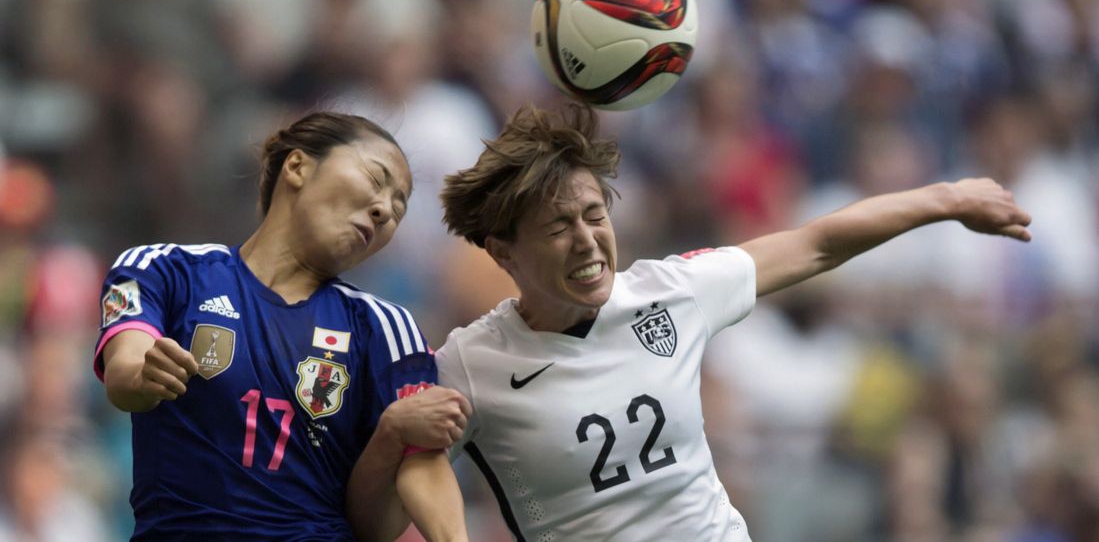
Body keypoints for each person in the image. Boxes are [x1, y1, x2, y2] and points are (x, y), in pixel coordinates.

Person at [435, 103, 1032, 542]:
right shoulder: (468, 364)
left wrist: (947, 200)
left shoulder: (670, 292)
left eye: (596, 215)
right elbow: (402, 476)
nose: (588, 241)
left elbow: (817, 244)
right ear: (503, 252)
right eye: (559, 227)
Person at [93, 112, 470, 541]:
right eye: (375, 178)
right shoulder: (163, 270)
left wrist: (391, 435)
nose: (385, 209)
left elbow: (377, 527)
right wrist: (146, 374)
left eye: (399, 207)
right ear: (297, 167)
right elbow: (125, 376)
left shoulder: (385, 329)